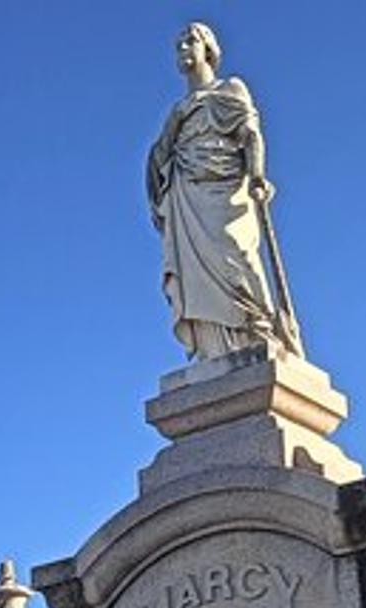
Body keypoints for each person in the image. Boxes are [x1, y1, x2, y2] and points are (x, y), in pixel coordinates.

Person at [146, 23, 296, 361]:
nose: (183, 49)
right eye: (179, 44)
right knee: (198, 274)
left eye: (190, 42)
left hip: (227, 192)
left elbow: (251, 134)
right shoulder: (178, 112)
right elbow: (160, 155)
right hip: (188, 194)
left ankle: (259, 328)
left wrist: (257, 174)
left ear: (209, 49)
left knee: (239, 258)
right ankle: (215, 351)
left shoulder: (231, 89)